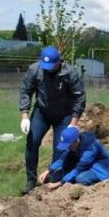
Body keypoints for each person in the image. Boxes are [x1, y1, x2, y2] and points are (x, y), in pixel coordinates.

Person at [19, 46, 86, 195]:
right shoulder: (35, 70)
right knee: (32, 142)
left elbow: (79, 98)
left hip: (64, 115)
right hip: (42, 112)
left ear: (59, 62)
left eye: (52, 66)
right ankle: (31, 180)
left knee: (60, 148)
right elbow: (26, 90)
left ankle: (55, 181)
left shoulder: (70, 73)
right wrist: (24, 115)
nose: (48, 69)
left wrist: (73, 123)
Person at [39, 126, 109, 190]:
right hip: (88, 165)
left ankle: (96, 188)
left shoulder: (90, 149)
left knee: (81, 178)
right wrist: (48, 171)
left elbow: (79, 169)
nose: (67, 147)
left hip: (102, 168)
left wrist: (59, 183)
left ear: (76, 141)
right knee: (63, 173)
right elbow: (62, 160)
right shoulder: (74, 144)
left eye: (68, 145)